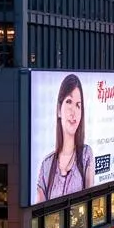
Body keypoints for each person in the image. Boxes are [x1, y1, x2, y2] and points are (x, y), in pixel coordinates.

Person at [35, 73, 95, 202]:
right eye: (69, 102)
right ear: (58, 109)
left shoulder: (86, 155)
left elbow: (90, 200)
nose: (74, 111)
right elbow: (37, 212)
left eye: (78, 105)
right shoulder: (46, 165)